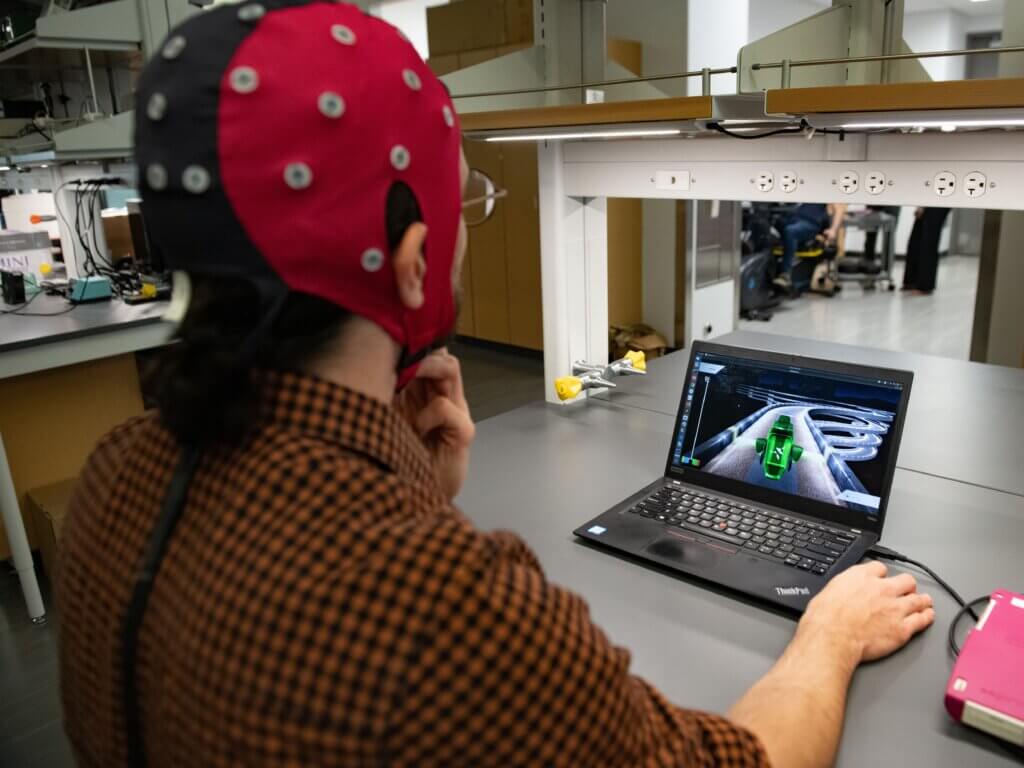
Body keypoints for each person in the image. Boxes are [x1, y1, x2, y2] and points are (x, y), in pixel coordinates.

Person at [57, 4, 934, 767]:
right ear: (412, 265)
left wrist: (406, 491)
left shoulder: (115, 474)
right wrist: (830, 633)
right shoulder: (442, 608)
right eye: (464, 208)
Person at [773, 203, 847, 292]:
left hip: (810, 222)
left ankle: (785, 275)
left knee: (790, 231)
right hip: (790, 218)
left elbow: (839, 209)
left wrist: (833, 230)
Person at [903, 207, 951, 294]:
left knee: (928, 240)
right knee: (917, 239)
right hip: (929, 201)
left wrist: (923, 206)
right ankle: (911, 281)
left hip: (936, 201)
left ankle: (925, 285)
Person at [863, 205, 900, 269]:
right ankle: (868, 266)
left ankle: (887, 268)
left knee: (889, 235)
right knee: (870, 233)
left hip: (894, 199)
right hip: (874, 199)